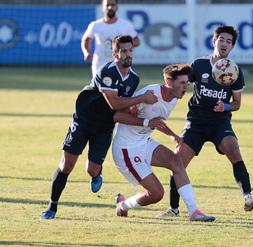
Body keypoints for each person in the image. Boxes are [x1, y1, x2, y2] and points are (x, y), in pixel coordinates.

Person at [40, 35, 157, 220]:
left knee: (92, 170)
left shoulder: (134, 78)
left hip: (104, 127)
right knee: (67, 165)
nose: (128, 55)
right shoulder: (107, 71)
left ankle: (97, 173)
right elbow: (114, 103)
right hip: (83, 120)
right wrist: (141, 99)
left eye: (131, 50)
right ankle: (51, 208)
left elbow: (124, 104)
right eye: (124, 51)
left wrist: (133, 108)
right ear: (114, 53)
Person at [157, 26, 253, 218]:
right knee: (177, 161)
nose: (224, 44)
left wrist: (226, 107)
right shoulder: (200, 64)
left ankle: (248, 196)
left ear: (232, 47)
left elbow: (237, 104)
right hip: (196, 122)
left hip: (219, 122)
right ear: (214, 42)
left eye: (229, 42)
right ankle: (174, 209)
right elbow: (181, 83)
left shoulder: (235, 72)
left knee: (234, 149)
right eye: (221, 39)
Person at [112, 64, 215, 222]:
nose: (186, 86)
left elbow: (156, 121)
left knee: (176, 161)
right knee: (157, 194)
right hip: (127, 148)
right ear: (169, 83)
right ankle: (123, 205)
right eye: (181, 83)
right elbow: (118, 116)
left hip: (143, 141)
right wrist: (146, 121)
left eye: (187, 82)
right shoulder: (149, 93)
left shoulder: (173, 99)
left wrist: (173, 136)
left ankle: (194, 212)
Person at [81, 0, 140, 77]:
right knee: (100, 88)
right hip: (100, 64)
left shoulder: (125, 25)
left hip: (120, 64)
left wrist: (124, 44)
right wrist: (87, 53)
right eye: (107, 5)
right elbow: (86, 39)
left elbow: (137, 41)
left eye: (112, 5)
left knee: (119, 89)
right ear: (102, 8)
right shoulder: (95, 25)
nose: (110, 7)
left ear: (117, 7)